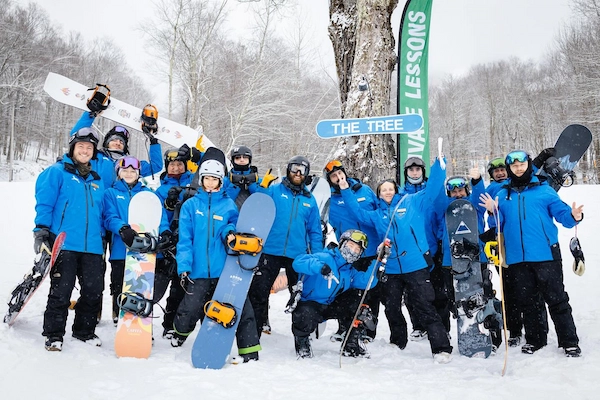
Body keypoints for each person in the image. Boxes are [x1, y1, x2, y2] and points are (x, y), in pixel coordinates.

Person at [338, 157, 454, 363]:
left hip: (415, 265)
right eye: (384, 190)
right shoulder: (376, 215)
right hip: (390, 267)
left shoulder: (412, 202)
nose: (388, 192)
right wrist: (345, 189)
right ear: (379, 195)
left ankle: (441, 347)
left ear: (396, 189)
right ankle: (398, 341)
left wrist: (439, 167)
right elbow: (357, 211)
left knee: (425, 305)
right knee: (391, 306)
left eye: (391, 188)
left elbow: (433, 189)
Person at [479, 149, 584, 357]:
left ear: (528, 166)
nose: (518, 169)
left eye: (522, 165)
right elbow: (497, 226)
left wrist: (574, 216)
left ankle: (569, 341)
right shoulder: (502, 194)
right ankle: (536, 339)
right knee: (528, 302)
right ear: (510, 169)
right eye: (514, 166)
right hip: (517, 258)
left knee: (557, 300)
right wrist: (493, 211)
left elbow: (563, 216)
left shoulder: (544, 191)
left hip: (545, 255)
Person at [170, 157, 261, 362]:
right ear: (201, 180)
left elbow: (232, 225)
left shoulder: (228, 205)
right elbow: (185, 239)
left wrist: (229, 234)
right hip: (198, 269)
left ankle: (250, 350)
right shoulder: (190, 206)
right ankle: (179, 335)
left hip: (224, 270)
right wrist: (184, 267)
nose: (210, 183)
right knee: (190, 308)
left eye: (215, 179)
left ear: (221, 181)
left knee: (240, 307)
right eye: (207, 179)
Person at [35, 127, 105, 351]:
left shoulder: (97, 180)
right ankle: (54, 334)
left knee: (93, 291)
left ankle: (84, 331)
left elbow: (103, 212)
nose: (85, 150)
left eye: (89, 148)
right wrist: (41, 230)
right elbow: (44, 202)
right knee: (61, 291)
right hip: (65, 243)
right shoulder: (57, 172)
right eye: (81, 146)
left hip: (93, 245)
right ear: (73, 148)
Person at [249, 155, 323, 338]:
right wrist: (262, 185)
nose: (297, 173)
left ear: (306, 174)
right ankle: (254, 331)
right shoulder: (275, 191)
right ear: (288, 169)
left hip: (296, 254)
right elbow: (257, 200)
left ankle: (301, 335)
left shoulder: (309, 200)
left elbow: (314, 230)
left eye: (302, 170)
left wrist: (318, 255)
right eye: (294, 169)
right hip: (270, 250)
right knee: (259, 291)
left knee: (299, 295)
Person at [291, 229, 384, 358]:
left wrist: (378, 261)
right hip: (310, 304)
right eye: (350, 246)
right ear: (342, 244)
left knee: (358, 303)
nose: (353, 251)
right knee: (304, 314)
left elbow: (366, 282)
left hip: (329, 306)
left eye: (357, 249)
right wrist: (320, 267)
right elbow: (298, 262)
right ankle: (302, 344)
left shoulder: (349, 271)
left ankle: (350, 345)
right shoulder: (325, 257)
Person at [103, 156, 171, 325]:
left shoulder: (148, 194)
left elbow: (159, 216)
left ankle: (142, 322)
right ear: (119, 173)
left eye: (133, 171)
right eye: (125, 170)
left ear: (138, 173)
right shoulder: (111, 193)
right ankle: (119, 314)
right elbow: (109, 217)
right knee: (120, 284)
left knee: (142, 287)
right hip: (121, 248)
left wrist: (165, 232)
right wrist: (122, 228)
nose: (129, 173)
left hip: (144, 250)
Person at [442, 169, 503, 352]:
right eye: (454, 191)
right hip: (450, 261)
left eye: (461, 190)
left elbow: (480, 196)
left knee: (483, 297)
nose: (458, 194)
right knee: (457, 302)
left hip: (477, 260)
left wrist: (476, 180)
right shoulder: (444, 211)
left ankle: (492, 334)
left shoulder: (474, 207)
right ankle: (467, 333)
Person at [323, 159, 380, 341]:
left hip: (370, 249)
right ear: (330, 180)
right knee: (347, 291)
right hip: (348, 253)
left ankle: (369, 331)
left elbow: (378, 214)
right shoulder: (330, 200)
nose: (338, 178)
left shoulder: (364, 191)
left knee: (370, 292)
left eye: (340, 173)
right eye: (334, 176)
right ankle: (344, 327)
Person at [153, 148, 195, 338]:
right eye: (172, 164)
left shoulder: (195, 183)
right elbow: (159, 214)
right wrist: (165, 231)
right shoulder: (160, 190)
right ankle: (141, 319)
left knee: (180, 287)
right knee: (158, 285)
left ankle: (170, 324)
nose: (176, 168)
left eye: (180, 164)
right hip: (168, 244)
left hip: (187, 242)